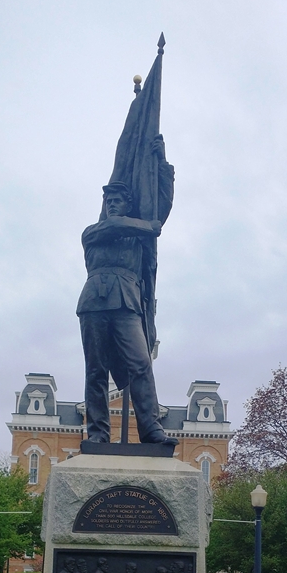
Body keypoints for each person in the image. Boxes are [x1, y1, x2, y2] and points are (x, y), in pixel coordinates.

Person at [76, 136, 176, 445]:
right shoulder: (94, 232)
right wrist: (148, 226)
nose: (112, 205)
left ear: (128, 204)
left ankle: (150, 429)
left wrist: (162, 168)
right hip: (94, 302)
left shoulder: (137, 240)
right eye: (108, 202)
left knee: (141, 364)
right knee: (96, 371)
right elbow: (122, 225)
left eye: (118, 201)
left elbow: (161, 209)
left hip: (127, 304)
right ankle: (97, 433)